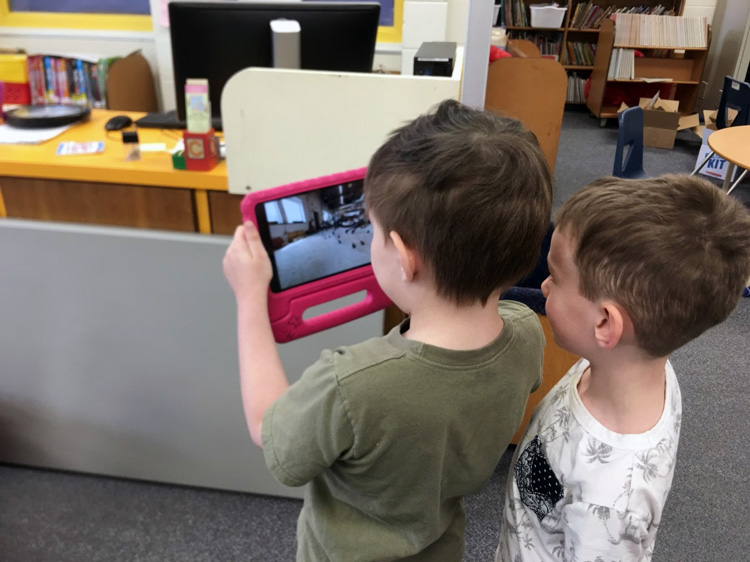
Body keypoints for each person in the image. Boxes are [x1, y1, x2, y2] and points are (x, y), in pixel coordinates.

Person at [223, 99, 553, 562]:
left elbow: (269, 431)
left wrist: (248, 301)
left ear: (402, 256)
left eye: (373, 230)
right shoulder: (526, 336)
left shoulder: (351, 383)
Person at [496, 174, 750, 562]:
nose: (544, 286)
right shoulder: (632, 362)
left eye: (556, 278)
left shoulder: (611, 499)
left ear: (605, 325)